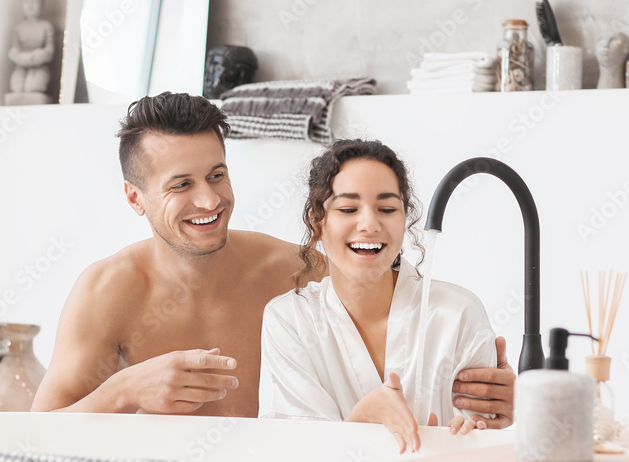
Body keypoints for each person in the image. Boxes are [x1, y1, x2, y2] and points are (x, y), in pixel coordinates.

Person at [31, 93, 515, 425]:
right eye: (181, 185)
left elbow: (405, 328)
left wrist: (489, 399)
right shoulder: (107, 292)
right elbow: (36, 437)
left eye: (217, 175)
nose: (209, 200)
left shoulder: (291, 271)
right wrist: (126, 391)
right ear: (135, 199)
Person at [259, 139, 499, 451]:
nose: (370, 225)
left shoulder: (458, 313)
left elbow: (486, 433)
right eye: (348, 209)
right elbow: (297, 454)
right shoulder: (290, 320)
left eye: (387, 209)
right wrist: (363, 417)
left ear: (405, 219)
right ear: (317, 223)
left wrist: (472, 432)